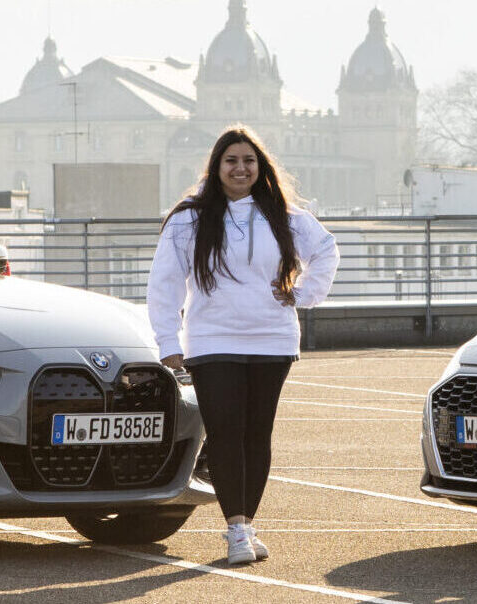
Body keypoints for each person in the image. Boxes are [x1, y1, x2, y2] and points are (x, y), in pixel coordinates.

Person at [148, 126, 340, 565]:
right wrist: (167, 341)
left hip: (271, 338)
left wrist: (302, 293)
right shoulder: (188, 218)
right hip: (211, 340)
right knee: (224, 433)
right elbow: (164, 283)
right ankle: (236, 527)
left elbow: (327, 250)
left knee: (257, 435)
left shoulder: (283, 215)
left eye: (248, 161)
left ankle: (245, 524)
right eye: (231, 161)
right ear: (216, 167)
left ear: (260, 167)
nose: (240, 168)